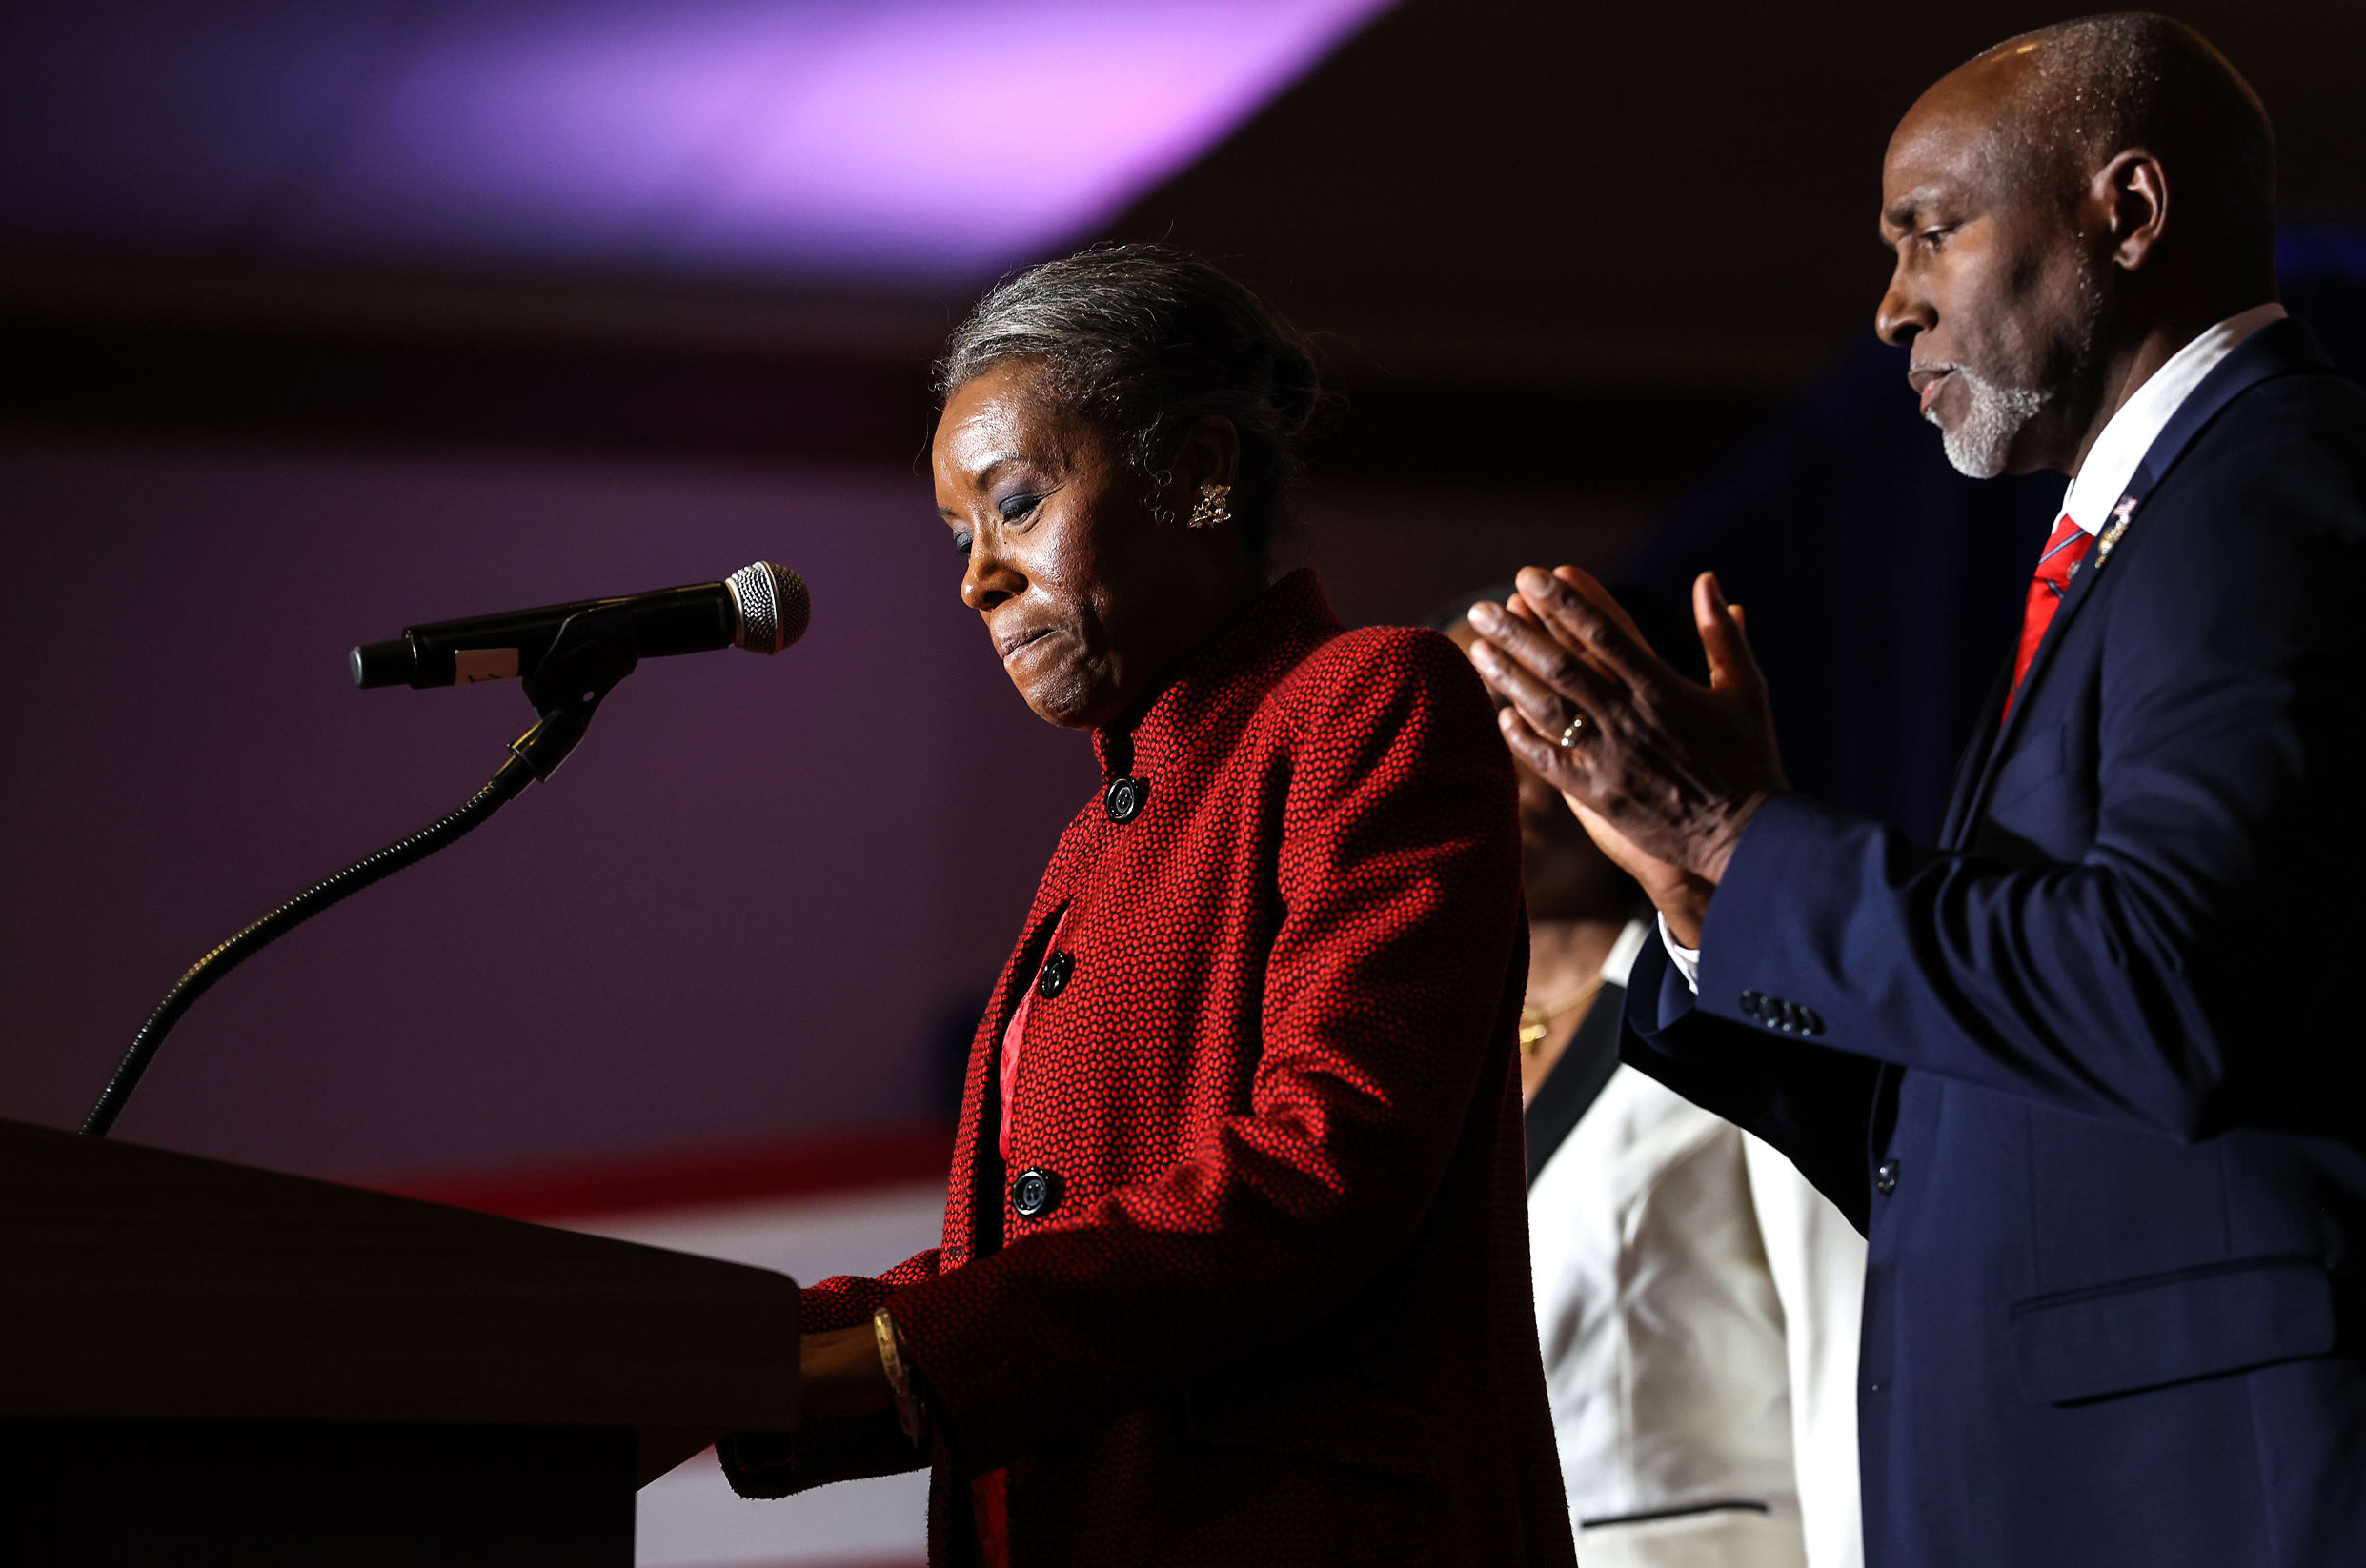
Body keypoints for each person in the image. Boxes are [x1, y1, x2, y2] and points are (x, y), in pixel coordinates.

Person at [1466, 14, 2366, 1567]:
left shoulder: (2260, 490)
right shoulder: (2145, 529)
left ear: (2127, 214)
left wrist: (1737, 832)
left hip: (2199, 1488)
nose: (1890, 309)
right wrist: (1705, 896)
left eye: (1929, 233)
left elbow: (2163, 989)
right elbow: (1975, 1107)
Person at [718, 246, 1575, 1568]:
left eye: (1015, 503)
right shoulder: (1101, 834)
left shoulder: (1373, 701)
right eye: (963, 537)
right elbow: (1056, 1236)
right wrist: (744, 1345)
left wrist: (883, 1363)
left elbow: (1319, 1164)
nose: (976, 580)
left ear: (1199, 471)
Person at [1440, 589, 1865, 1568]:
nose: (1496, 761)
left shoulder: (1724, 1000)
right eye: (1467, 724)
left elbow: (1843, 1345)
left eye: (1537, 716)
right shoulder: (1403, 1065)